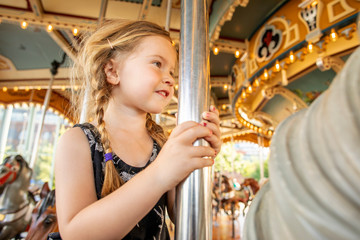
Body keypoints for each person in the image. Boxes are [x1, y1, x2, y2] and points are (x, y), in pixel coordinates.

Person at [55, 20, 221, 239]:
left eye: (172, 71)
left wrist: (201, 156)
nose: (170, 79)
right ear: (113, 71)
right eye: (157, 64)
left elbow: (181, 214)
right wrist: (160, 173)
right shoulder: (78, 141)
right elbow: (76, 234)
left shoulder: (162, 144)